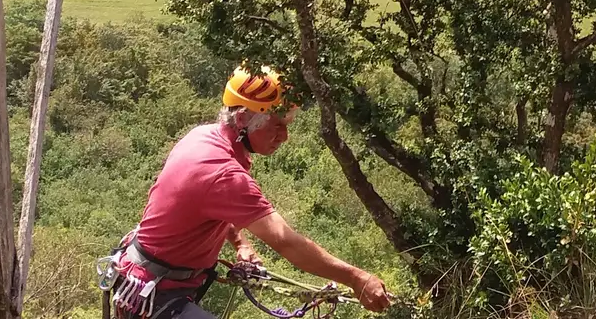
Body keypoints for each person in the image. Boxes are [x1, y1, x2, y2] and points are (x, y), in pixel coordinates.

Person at [102, 66, 392, 317]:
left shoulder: (205, 137)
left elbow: (206, 207)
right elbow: (285, 241)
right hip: (155, 296)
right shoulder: (223, 173)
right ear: (242, 119)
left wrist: (240, 242)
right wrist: (356, 278)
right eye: (276, 125)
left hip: (150, 282)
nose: (285, 136)